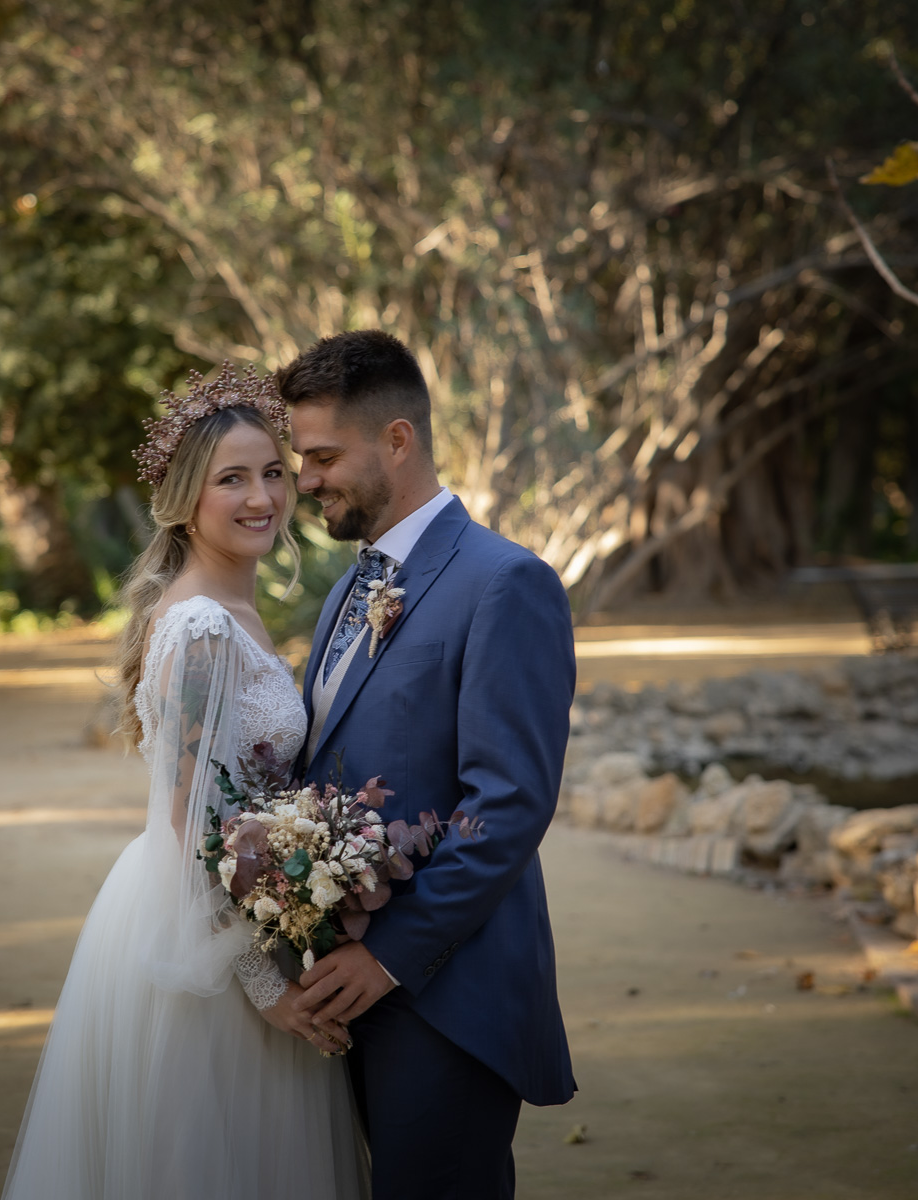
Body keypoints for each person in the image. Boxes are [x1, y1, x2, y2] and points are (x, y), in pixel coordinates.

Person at [0, 367, 367, 1200]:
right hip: (206, 946)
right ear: (184, 499)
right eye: (231, 479)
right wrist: (266, 987)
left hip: (244, 914)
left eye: (272, 472)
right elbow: (189, 821)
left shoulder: (231, 610)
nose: (261, 497)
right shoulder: (201, 627)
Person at [280, 331, 578, 1200]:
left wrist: (388, 957)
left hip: (447, 995)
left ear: (398, 440)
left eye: (324, 457)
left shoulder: (506, 582)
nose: (305, 481)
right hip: (350, 987)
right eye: (302, 460)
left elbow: (508, 803)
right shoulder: (349, 587)